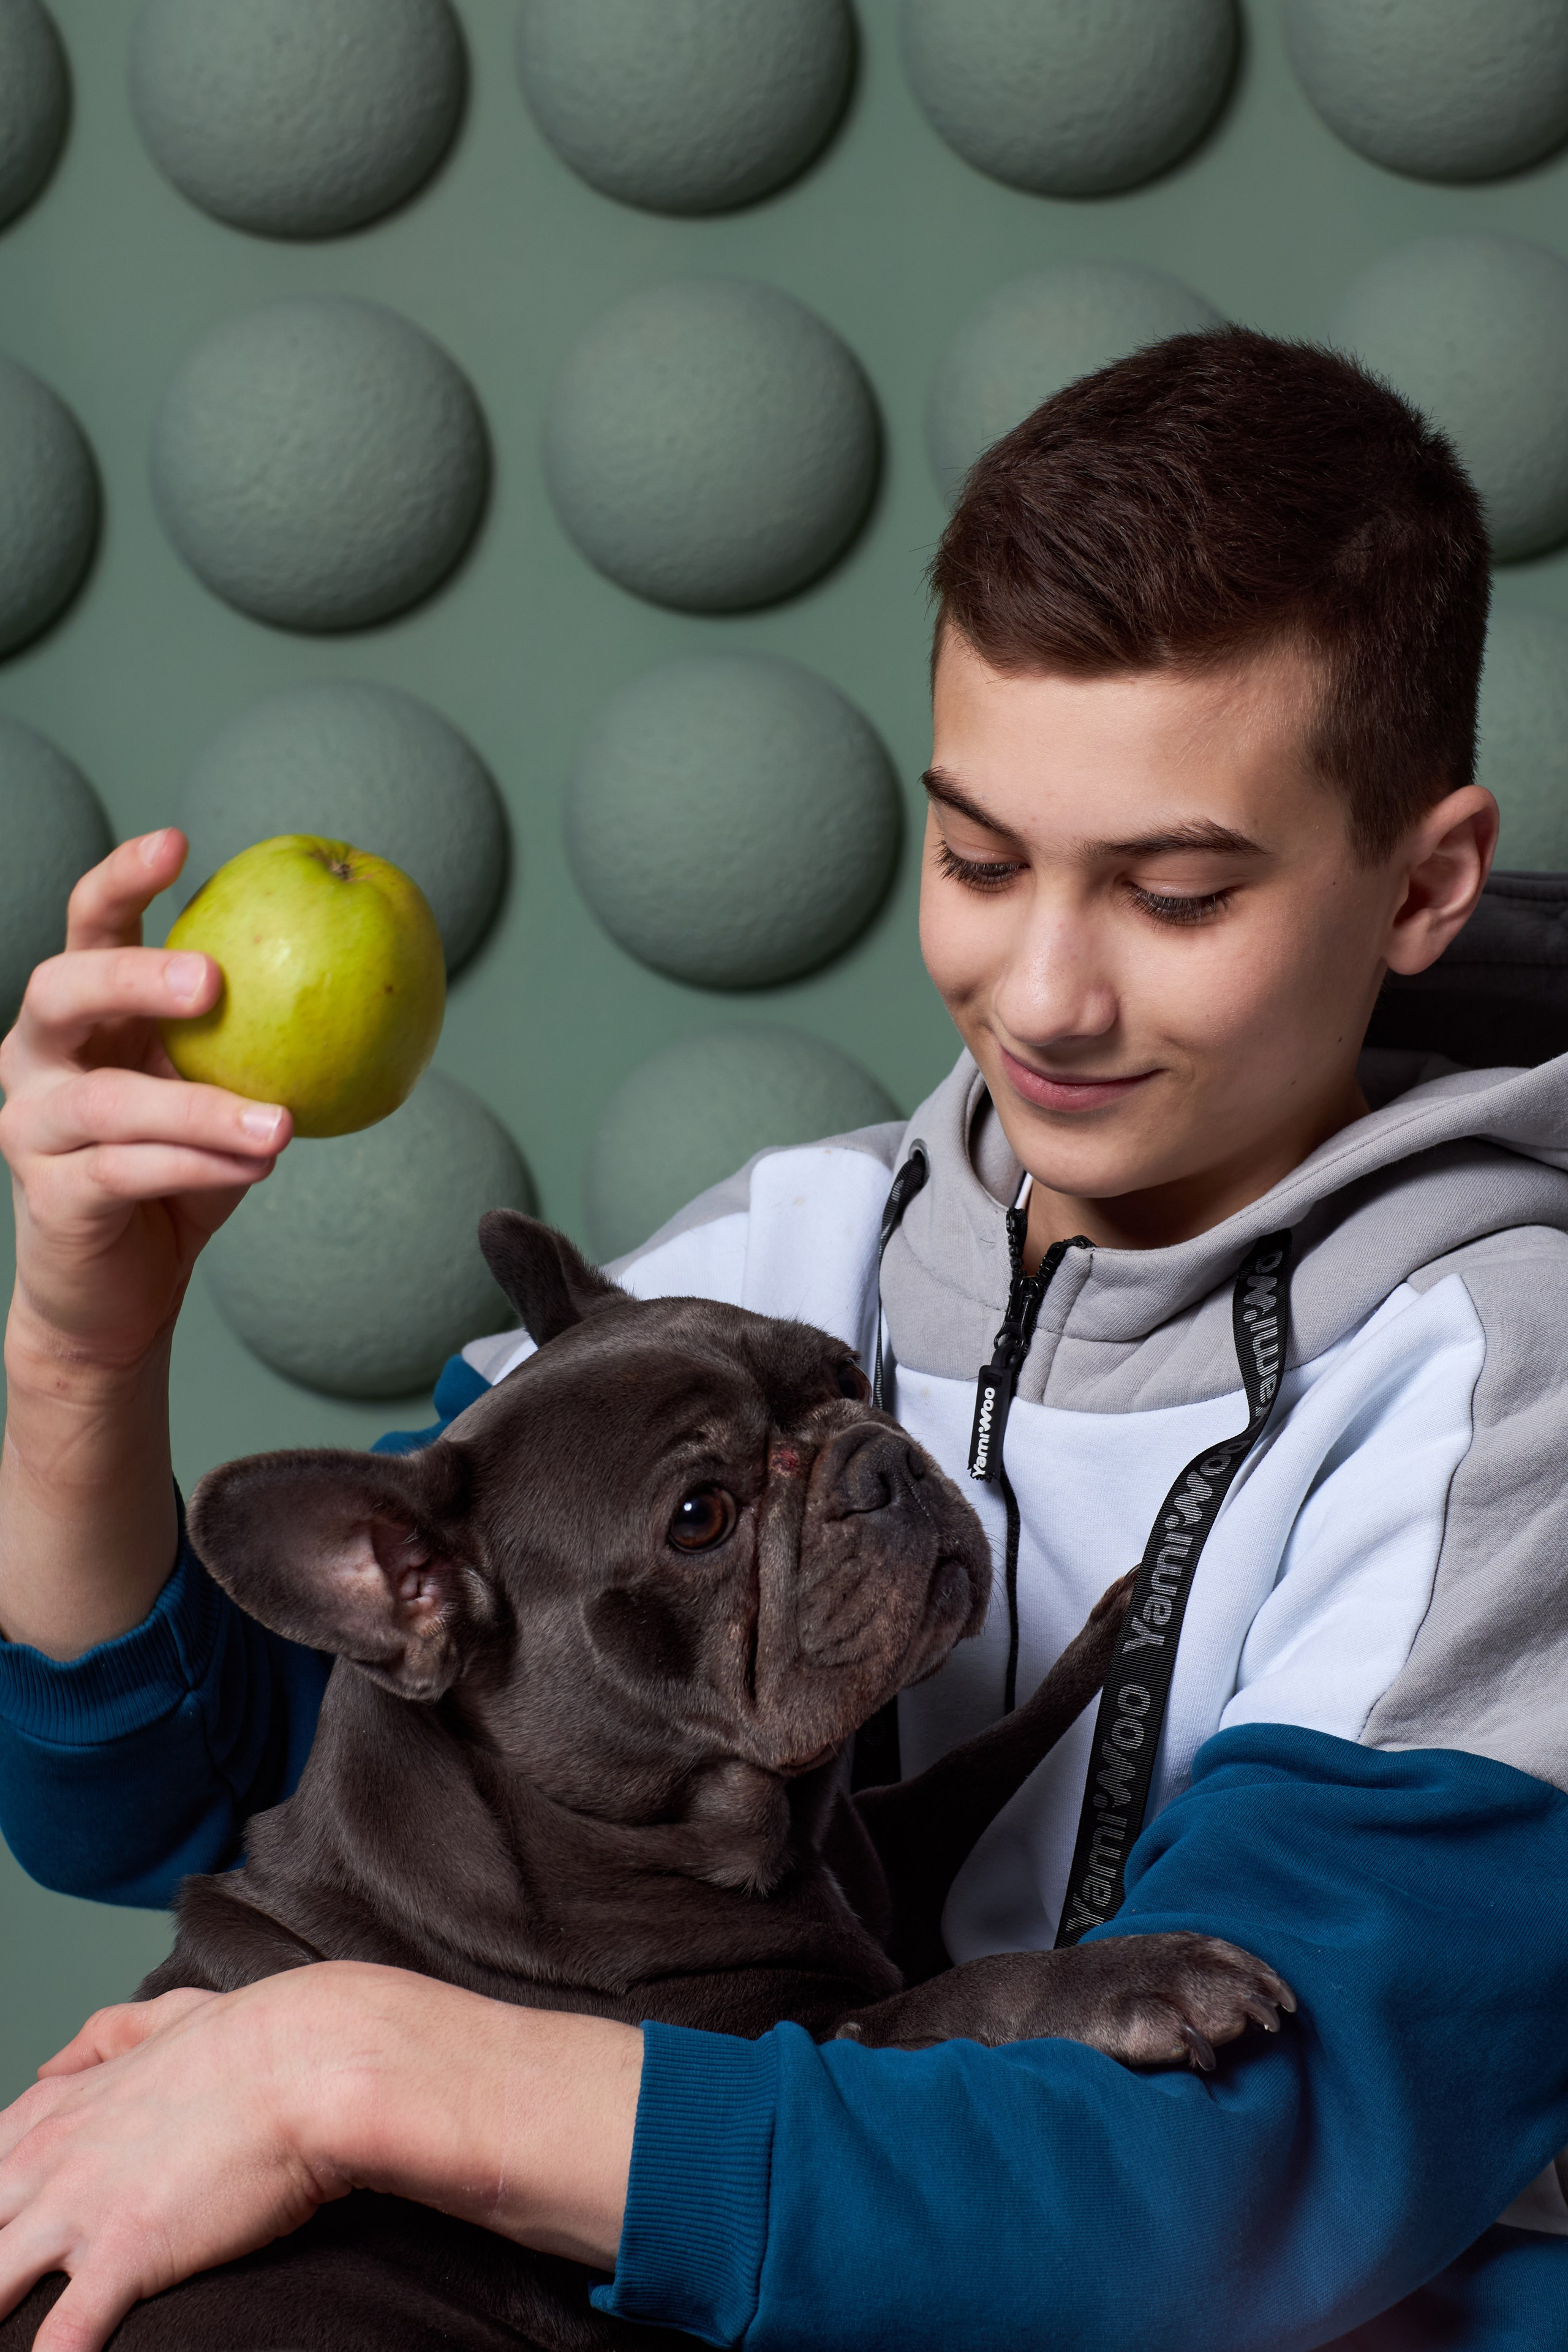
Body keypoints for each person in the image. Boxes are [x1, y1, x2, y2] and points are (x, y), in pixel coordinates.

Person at [3, 325, 1568, 2352]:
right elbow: (226, 1812)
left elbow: (1221, 2196)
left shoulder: (1488, 1384)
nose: (1047, 994)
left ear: (1426, 883)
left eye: (1175, 893)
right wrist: (77, 1350)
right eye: (981, 861)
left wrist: (342, 2076)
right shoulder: (798, 1252)